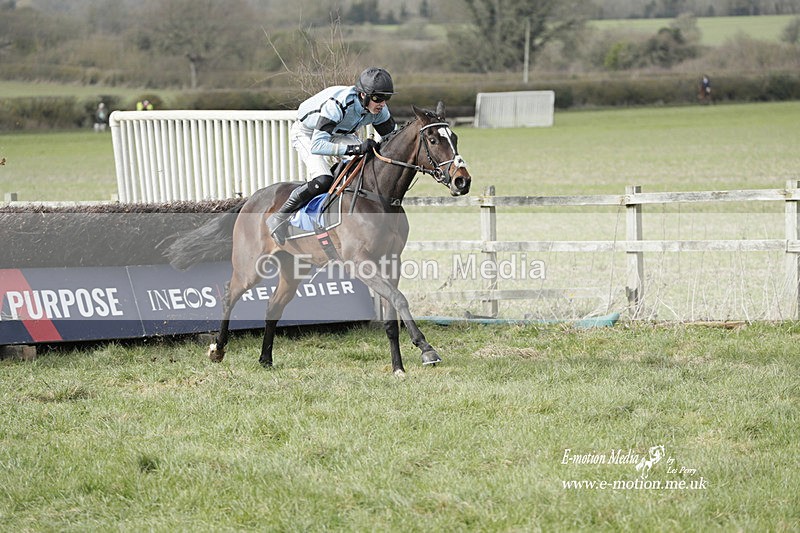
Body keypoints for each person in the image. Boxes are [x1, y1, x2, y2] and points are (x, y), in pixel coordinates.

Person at [266, 67, 397, 244]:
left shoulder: (379, 110)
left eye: (386, 98)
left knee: (366, 168)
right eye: (377, 98)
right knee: (323, 180)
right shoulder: (338, 104)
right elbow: (318, 145)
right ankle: (280, 216)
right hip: (309, 134)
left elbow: (393, 139)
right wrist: (356, 149)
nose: (382, 103)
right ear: (362, 95)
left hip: (340, 132)